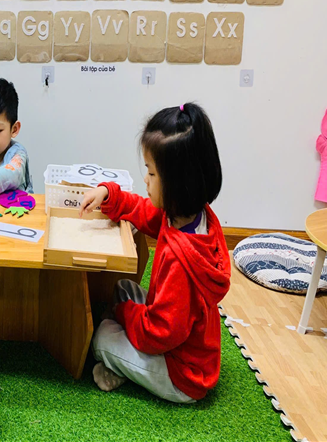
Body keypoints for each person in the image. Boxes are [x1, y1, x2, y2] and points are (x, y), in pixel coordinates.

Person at [79, 103, 230, 403]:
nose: (146, 180)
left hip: (182, 373)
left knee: (102, 338)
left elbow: (159, 333)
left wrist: (123, 314)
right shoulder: (187, 214)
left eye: (151, 173)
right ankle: (125, 360)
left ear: (178, 184)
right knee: (123, 288)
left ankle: (121, 364)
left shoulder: (181, 259)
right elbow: (139, 209)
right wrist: (108, 194)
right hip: (175, 337)